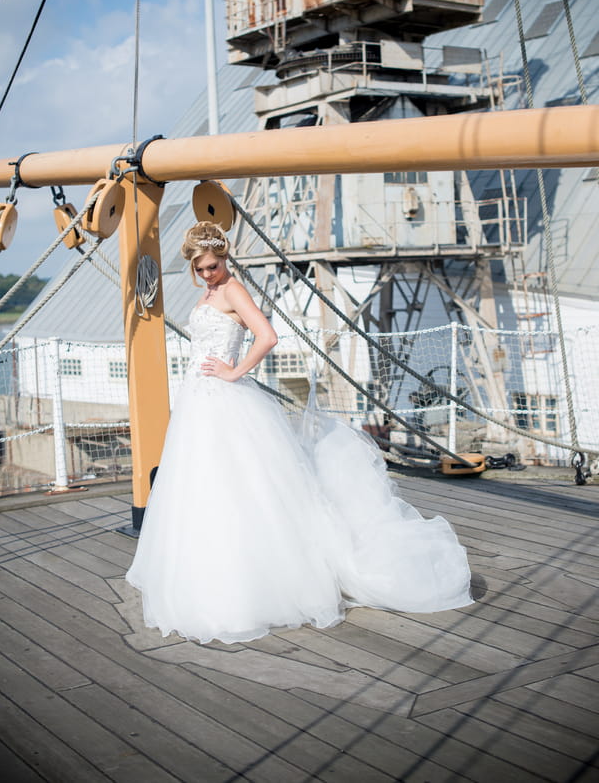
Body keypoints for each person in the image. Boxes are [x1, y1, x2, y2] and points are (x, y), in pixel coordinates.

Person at [126, 221, 473, 645]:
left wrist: (234, 372)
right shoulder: (210, 292)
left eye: (213, 267)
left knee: (243, 488)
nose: (208, 275)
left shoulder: (232, 289)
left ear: (225, 259)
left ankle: (254, 588)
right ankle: (205, 576)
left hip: (225, 398)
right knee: (204, 490)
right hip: (199, 403)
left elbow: (267, 336)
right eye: (200, 269)